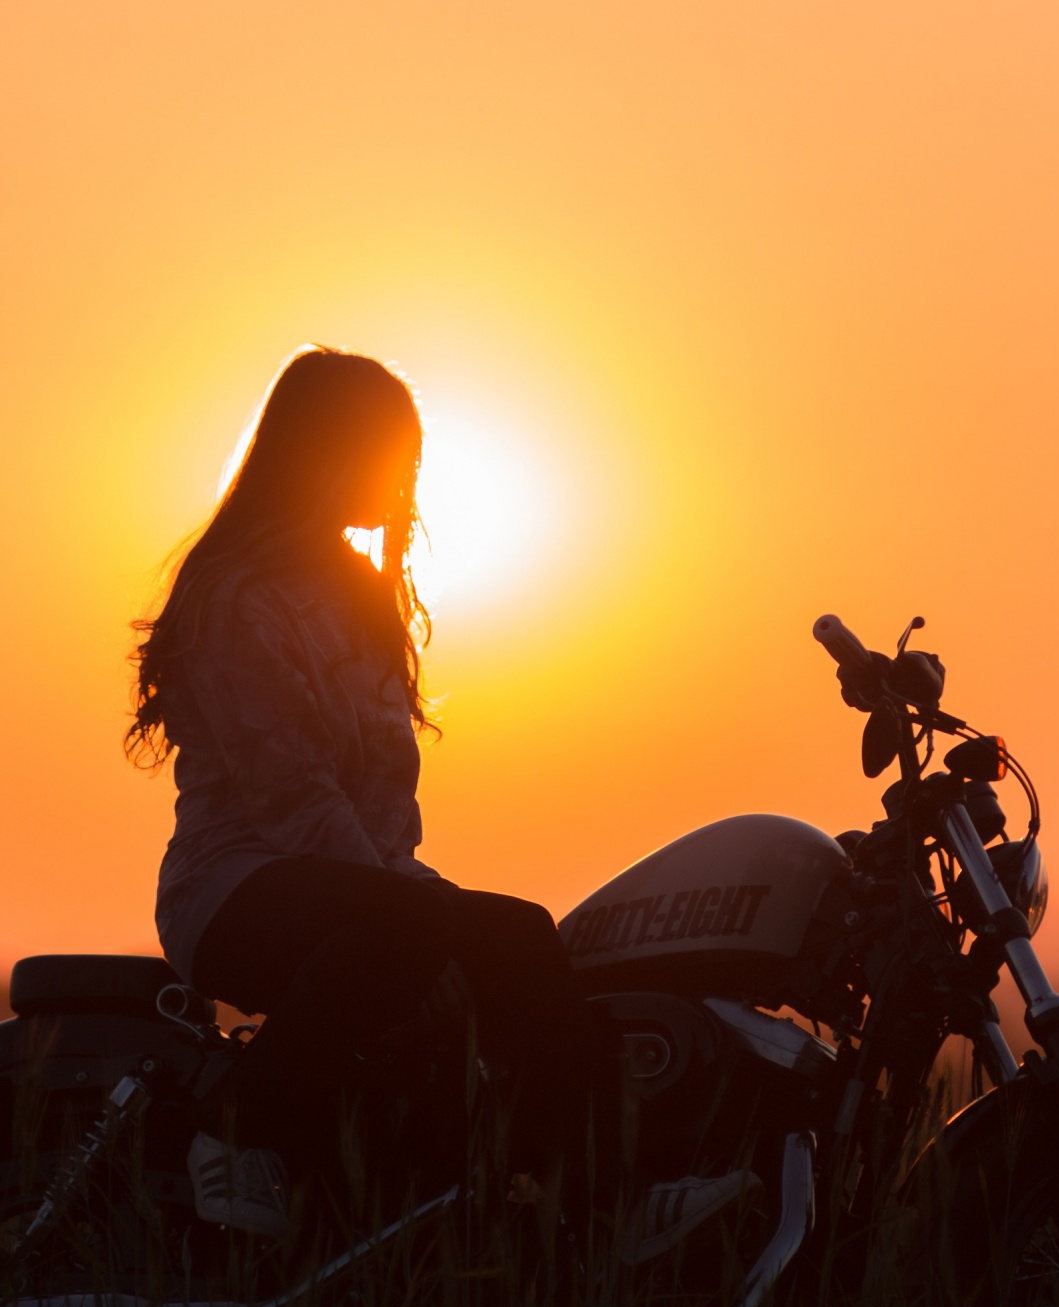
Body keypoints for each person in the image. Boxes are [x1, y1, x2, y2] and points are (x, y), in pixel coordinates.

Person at [128, 345, 744, 1256]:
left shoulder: (362, 597)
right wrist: (424, 921)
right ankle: (228, 1128)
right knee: (428, 932)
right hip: (236, 888)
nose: (404, 481)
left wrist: (430, 909)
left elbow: (380, 812)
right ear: (323, 450)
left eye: (411, 461)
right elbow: (292, 793)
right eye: (389, 456)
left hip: (360, 891)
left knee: (522, 932)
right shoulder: (236, 599)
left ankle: (589, 1208)